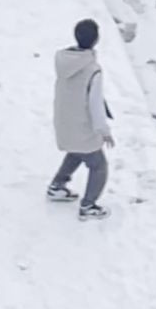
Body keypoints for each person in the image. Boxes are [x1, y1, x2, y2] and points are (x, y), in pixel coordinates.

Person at [47, 19, 113, 219]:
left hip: (65, 121)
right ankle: (88, 205)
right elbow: (94, 105)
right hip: (83, 125)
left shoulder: (63, 60)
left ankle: (57, 185)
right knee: (98, 165)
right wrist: (104, 132)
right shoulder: (93, 69)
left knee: (76, 152)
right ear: (96, 40)